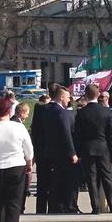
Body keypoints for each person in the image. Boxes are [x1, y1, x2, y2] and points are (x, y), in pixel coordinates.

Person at [35, 84, 79, 214]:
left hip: (44, 152)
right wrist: (72, 153)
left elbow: (37, 132)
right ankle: (58, 207)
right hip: (59, 153)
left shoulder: (43, 110)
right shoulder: (62, 113)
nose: (69, 100)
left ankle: (42, 209)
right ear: (61, 97)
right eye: (67, 97)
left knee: (44, 183)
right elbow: (66, 134)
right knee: (58, 182)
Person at [74, 83, 112, 214]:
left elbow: (78, 134)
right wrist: (110, 147)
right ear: (98, 95)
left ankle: (96, 207)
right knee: (107, 177)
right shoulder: (106, 111)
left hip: (88, 148)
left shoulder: (81, 113)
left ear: (86, 95)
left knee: (91, 179)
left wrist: (79, 151)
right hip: (103, 147)